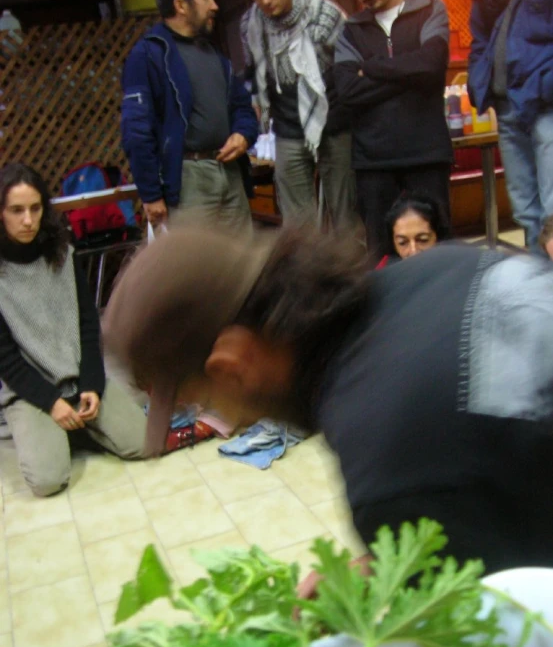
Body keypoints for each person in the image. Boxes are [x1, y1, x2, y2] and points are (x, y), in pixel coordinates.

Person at [104, 226, 553, 575]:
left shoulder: (390, 472)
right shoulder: (436, 267)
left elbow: (504, 634)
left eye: (204, 401)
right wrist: (392, 567)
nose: (232, 423)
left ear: (232, 363)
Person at [0, 163, 149, 497]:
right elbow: (6, 360)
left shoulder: (63, 255)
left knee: (142, 443)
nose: (28, 220)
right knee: (48, 480)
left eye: (35, 209)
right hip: (33, 391)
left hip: (80, 379)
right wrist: (51, 402)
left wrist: (93, 385)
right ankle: (57, 428)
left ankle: (77, 428)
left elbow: (87, 325)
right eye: (16, 210)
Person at [121, 0, 259, 235]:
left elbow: (244, 108)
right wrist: (151, 194)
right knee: (198, 269)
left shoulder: (214, 54)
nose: (215, 6)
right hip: (188, 180)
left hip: (230, 172)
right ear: (181, 5)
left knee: (244, 265)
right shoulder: (148, 55)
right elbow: (136, 131)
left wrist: (243, 134)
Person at [334, 0, 453, 260]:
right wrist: (411, 76)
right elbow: (347, 90)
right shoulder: (351, 29)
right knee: (381, 254)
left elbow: (432, 65)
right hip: (373, 159)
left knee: (439, 247)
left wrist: (371, 67)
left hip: (427, 151)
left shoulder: (431, 9)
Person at [241, 0, 358, 233]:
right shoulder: (251, 25)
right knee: (297, 227)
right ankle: (307, 272)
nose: (264, 0)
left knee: (346, 217)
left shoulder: (324, 15)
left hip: (334, 123)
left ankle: (352, 271)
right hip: (287, 129)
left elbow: (350, 71)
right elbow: (254, 74)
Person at [468, 0, 553, 253]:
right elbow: (479, 35)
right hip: (505, 105)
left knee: (552, 212)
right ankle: (540, 289)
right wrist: (478, 79)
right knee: (525, 212)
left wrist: (546, 85)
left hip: (545, 105)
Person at [376, 191, 449, 268]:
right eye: (402, 243)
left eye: (423, 240)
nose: (413, 252)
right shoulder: (385, 272)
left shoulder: (456, 267)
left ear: (438, 236)